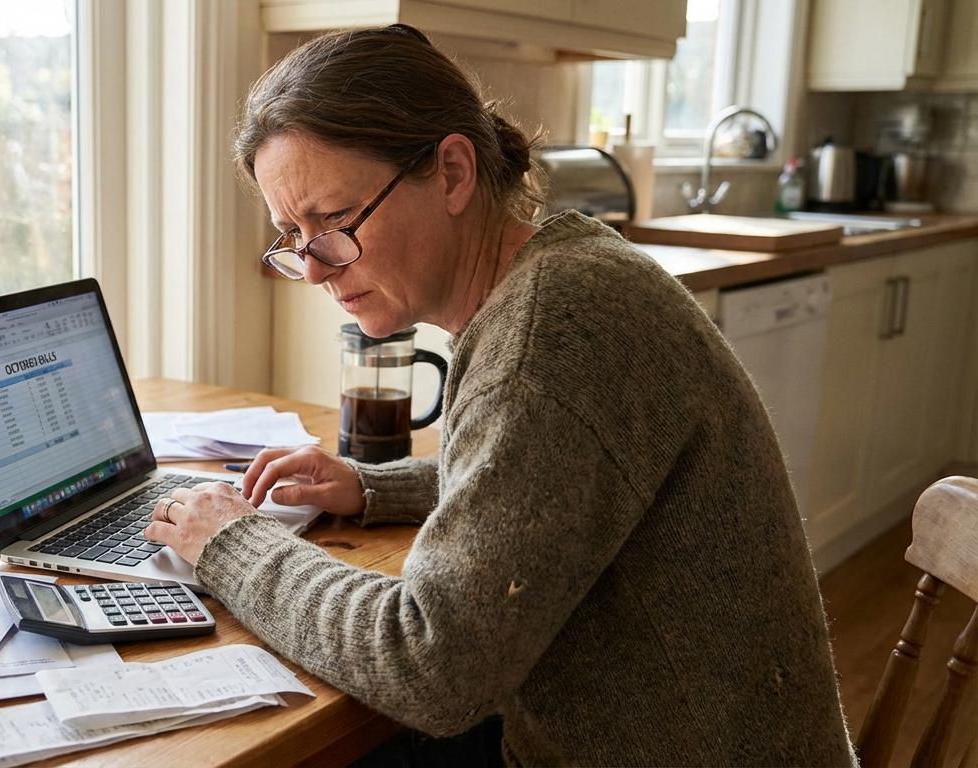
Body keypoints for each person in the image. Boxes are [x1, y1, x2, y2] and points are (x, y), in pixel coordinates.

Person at [144, 23, 855, 766]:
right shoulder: (565, 276)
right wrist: (372, 487)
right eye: (292, 235)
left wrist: (230, 543)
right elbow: (553, 480)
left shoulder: (550, 335)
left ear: (451, 172)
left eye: (334, 222)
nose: (316, 268)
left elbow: (428, 666)